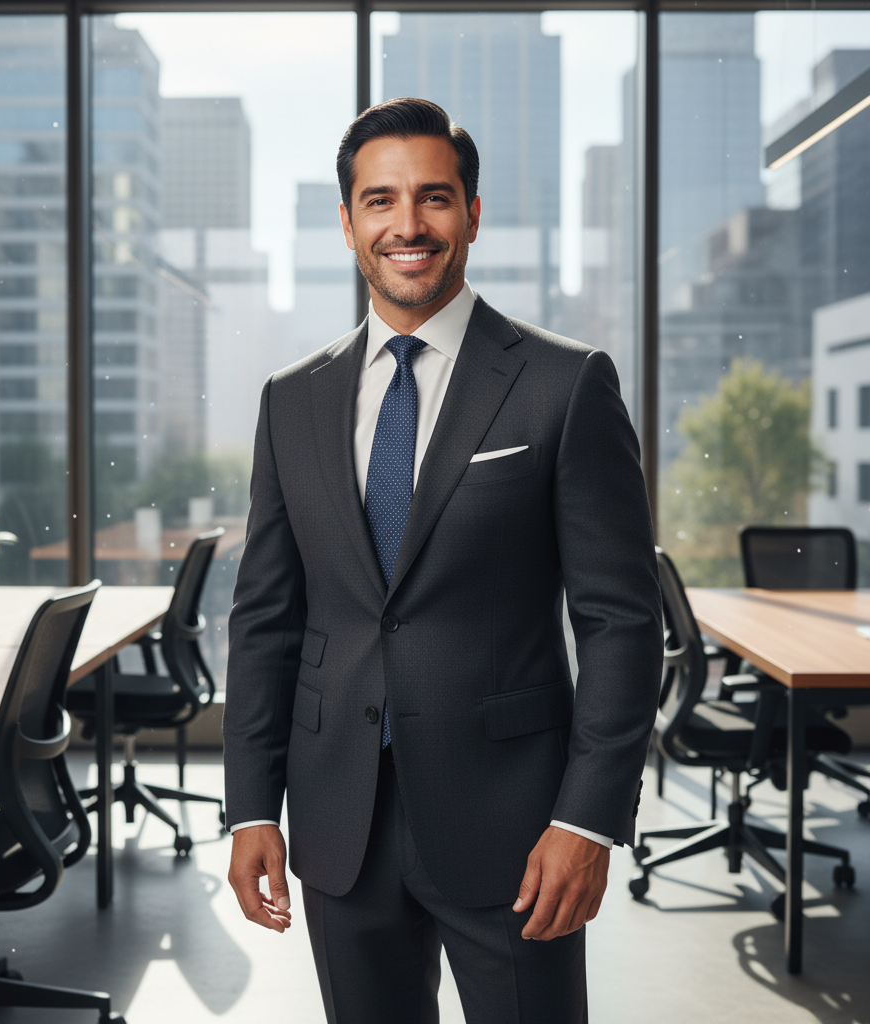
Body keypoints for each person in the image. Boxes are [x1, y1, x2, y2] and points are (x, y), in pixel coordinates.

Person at [222, 96, 662, 1024]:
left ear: (471, 212)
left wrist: (586, 818)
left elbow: (621, 622)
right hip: (338, 815)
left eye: (434, 197)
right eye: (380, 201)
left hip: (516, 826)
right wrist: (252, 806)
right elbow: (266, 618)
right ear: (348, 223)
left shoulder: (564, 383)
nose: (408, 225)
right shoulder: (291, 399)